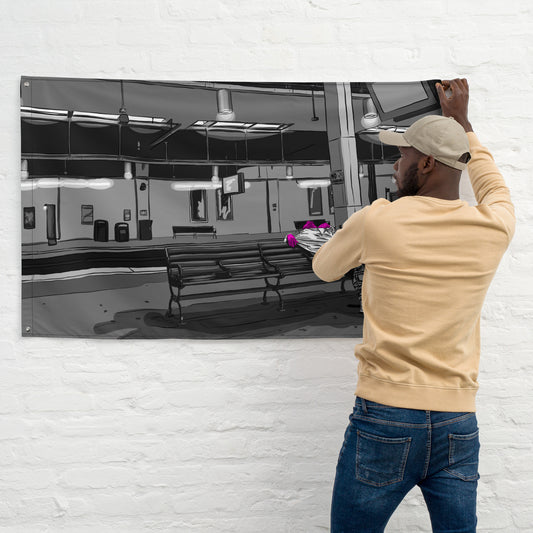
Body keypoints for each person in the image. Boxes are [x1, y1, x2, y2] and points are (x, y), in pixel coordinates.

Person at [312, 78, 515, 533]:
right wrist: (463, 125)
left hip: (384, 416)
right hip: (458, 422)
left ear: (424, 164)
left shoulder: (380, 218)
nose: (394, 164)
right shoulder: (495, 226)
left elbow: (325, 268)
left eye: (401, 155)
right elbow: (493, 184)